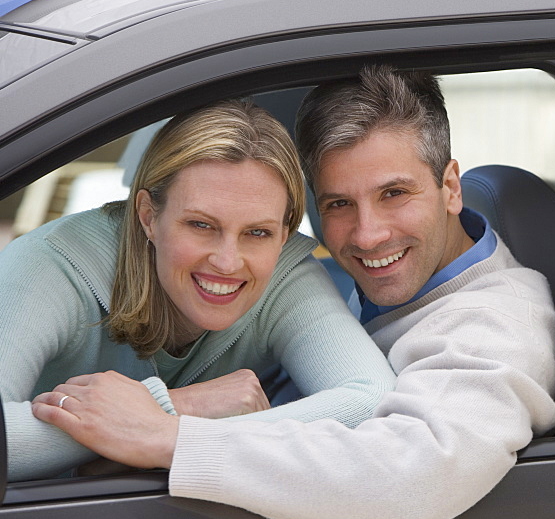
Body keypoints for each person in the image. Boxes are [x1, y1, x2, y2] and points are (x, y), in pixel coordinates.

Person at [33, 65, 555, 519]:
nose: (368, 234)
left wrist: (170, 437)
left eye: (394, 194)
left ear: (450, 187)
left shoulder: (498, 323)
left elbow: (409, 479)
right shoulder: (373, 289)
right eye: (338, 204)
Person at [5, 99, 395, 481]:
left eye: (257, 232)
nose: (228, 262)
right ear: (148, 217)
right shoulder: (53, 264)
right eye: (201, 225)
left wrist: (163, 434)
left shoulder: (284, 274)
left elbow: (372, 401)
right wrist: (183, 405)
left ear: (283, 235)